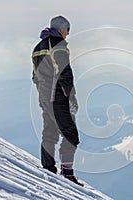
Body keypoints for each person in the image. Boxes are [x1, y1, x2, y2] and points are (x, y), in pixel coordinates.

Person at [31, 16, 83, 186]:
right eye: (68, 29)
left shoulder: (38, 48)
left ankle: (48, 167)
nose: (68, 33)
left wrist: (43, 94)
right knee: (70, 135)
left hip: (44, 97)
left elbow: (35, 77)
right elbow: (64, 73)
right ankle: (67, 174)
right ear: (61, 28)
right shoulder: (58, 46)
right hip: (58, 97)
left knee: (50, 133)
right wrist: (71, 97)